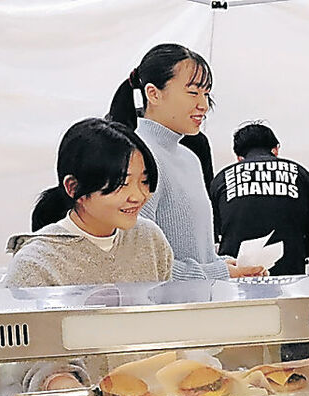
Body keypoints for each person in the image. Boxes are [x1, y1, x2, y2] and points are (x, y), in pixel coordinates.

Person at [6, 117, 173, 392]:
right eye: (122, 184)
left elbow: (167, 323)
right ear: (74, 189)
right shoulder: (36, 263)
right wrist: (78, 393)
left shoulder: (149, 239)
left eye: (144, 181)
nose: (139, 196)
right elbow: (30, 362)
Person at [107, 43, 264, 280]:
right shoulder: (138, 157)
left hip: (197, 308)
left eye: (206, 93)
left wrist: (221, 264)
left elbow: (189, 250)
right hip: (162, 313)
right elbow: (138, 258)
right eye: (193, 92)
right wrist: (219, 272)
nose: (203, 104)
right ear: (153, 93)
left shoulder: (189, 158)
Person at [209, 122, 309, 276]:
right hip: (290, 276)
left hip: (237, 277)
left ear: (239, 157)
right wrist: (292, 256)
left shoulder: (222, 179)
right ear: (276, 150)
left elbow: (211, 234)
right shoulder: (300, 174)